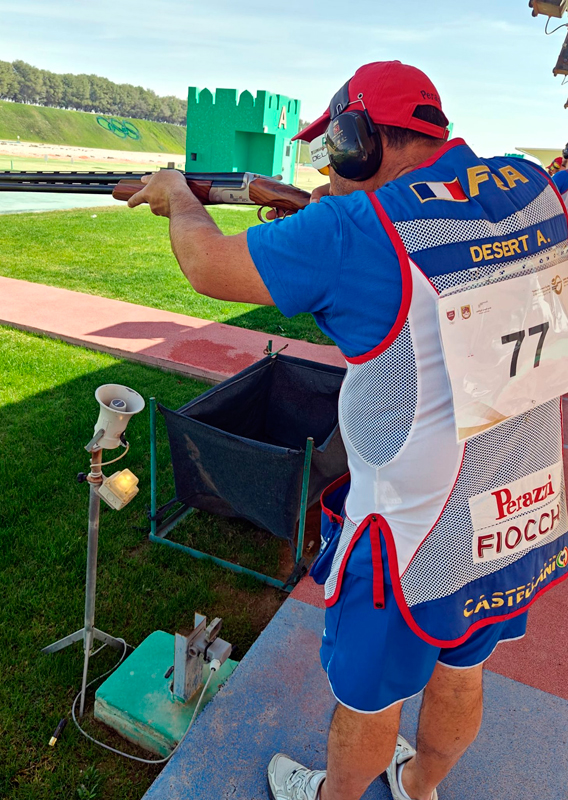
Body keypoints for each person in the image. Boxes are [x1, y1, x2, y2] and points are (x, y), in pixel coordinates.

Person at [126, 61, 568, 800]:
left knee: (367, 699)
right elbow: (440, 246)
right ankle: (420, 790)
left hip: (408, 536)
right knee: (463, 670)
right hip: (514, 509)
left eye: (336, 148)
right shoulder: (535, 187)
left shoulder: (354, 230)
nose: (330, 166)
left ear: (362, 139)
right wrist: (315, 206)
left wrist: (177, 194)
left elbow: (207, 264)